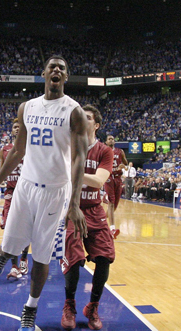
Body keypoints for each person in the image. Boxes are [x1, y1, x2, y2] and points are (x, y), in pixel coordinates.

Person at [0, 55, 89, 331]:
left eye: (62, 69)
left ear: (66, 77)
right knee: (11, 245)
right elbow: (19, 150)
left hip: (56, 193)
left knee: (41, 257)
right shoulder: (27, 107)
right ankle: (3, 253)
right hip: (26, 186)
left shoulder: (74, 111)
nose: (56, 71)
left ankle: (29, 310)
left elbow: (79, 158)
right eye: (52, 67)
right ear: (44, 73)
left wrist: (74, 203)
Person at [60, 105, 114, 331]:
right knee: (74, 258)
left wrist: (73, 172)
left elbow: (99, 181)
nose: (83, 119)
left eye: (88, 117)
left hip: (94, 209)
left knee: (105, 257)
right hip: (72, 208)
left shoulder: (104, 151)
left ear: (97, 125)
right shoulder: (68, 145)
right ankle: (69, 304)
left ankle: (92, 306)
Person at [0, 118, 30, 280]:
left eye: (20, 127)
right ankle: (14, 266)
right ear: (11, 131)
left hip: (27, 192)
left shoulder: (31, 148)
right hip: (11, 192)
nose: (17, 129)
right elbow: (3, 169)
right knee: (10, 229)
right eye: (15, 127)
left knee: (26, 229)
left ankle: (23, 259)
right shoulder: (5, 149)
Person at [103, 135, 128, 238]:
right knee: (111, 203)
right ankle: (112, 228)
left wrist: (124, 166)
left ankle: (101, 221)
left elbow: (125, 163)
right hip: (108, 177)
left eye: (112, 139)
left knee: (115, 206)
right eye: (109, 139)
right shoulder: (103, 150)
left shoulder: (120, 151)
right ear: (106, 141)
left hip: (118, 178)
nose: (111, 140)